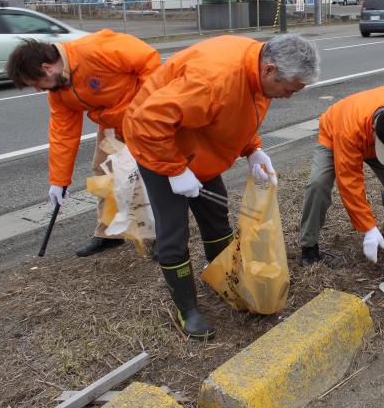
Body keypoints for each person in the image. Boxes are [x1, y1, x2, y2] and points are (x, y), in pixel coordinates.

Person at [124, 34, 320, 340]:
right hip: (156, 145)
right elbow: (146, 122)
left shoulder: (256, 70)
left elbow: (240, 111)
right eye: (289, 89)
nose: (289, 96)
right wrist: (175, 170)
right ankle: (187, 309)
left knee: (216, 216)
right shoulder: (212, 79)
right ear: (269, 70)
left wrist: (252, 148)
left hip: (197, 144)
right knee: (173, 231)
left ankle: (224, 281)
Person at [5, 31, 161, 257]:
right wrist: (59, 181)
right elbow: (63, 134)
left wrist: (148, 108)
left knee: (152, 176)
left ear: (47, 67)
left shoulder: (96, 49)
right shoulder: (58, 92)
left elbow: (149, 62)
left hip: (144, 119)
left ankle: (164, 234)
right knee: (105, 175)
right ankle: (109, 233)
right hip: (111, 125)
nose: (39, 89)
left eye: (37, 83)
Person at [298, 86, 384, 266]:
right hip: (335, 135)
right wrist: (368, 227)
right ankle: (309, 245)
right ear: (373, 131)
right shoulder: (348, 130)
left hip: (381, 138)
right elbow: (350, 183)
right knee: (318, 184)